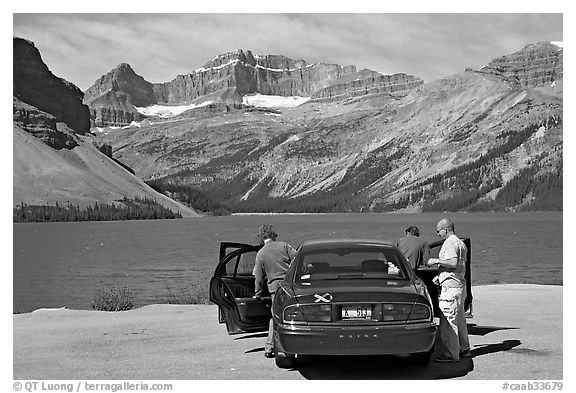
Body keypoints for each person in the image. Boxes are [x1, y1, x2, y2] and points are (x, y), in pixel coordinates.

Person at [426, 218, 471, 362]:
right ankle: (464, 349)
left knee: (448, 321)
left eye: (438, 231)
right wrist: (440, 276)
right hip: (459, 285)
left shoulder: (450, 243)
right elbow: (458, 266)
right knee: (460, 319)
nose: (438, 234)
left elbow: (452, 262)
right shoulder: (461, 243)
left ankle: (451, 355)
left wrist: (436, 261)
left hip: (450, 289)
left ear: (445, 229)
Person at [252, 224, 296, 358]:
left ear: (262, 237)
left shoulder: (261, 254)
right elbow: (297, 258)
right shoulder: (284, 246)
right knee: (290, 314)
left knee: (276, 316)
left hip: (274, 288)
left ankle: (270, 347)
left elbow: (258, 278)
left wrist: (258, 293)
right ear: (274, 235)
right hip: (290, 285)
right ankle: (289, 344)